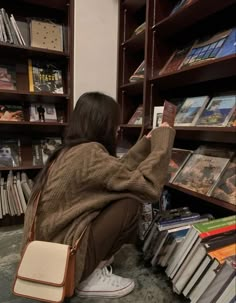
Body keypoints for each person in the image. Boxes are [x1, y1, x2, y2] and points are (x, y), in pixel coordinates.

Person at [22, 92, 175, 299]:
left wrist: (145, 145)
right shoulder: (90, 153)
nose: (118, 129)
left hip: (43, 251)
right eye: (114, 123)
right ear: (103, 124)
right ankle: (87, 276)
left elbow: (115, 174)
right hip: (65, 257)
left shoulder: (69, 151)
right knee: (130, 202)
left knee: (120, 192)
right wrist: (162, 143)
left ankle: (88, 266)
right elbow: (147, 187)